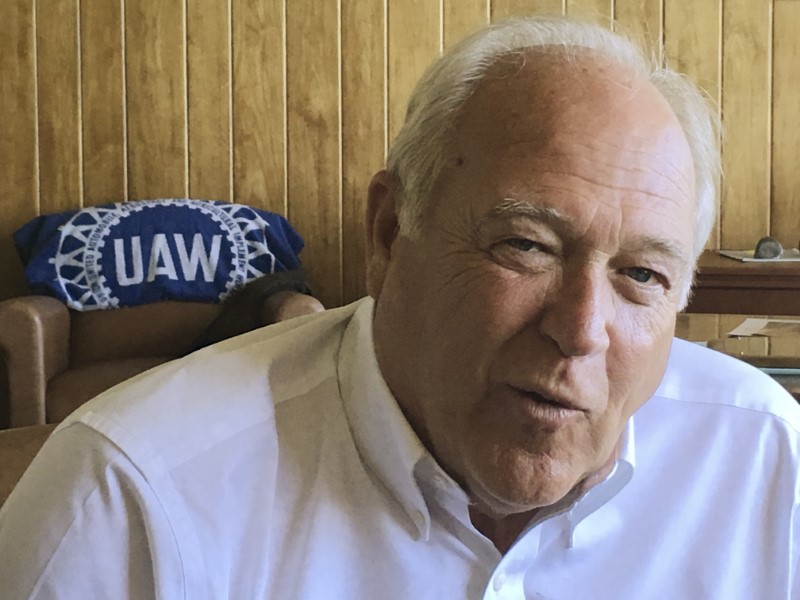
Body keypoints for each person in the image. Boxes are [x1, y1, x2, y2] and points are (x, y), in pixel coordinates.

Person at [1, 15, 798, 599]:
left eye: (643, 277)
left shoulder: (768, 464)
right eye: (527, 245)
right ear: (389, 232)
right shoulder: (130, 495)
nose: (582, 330)